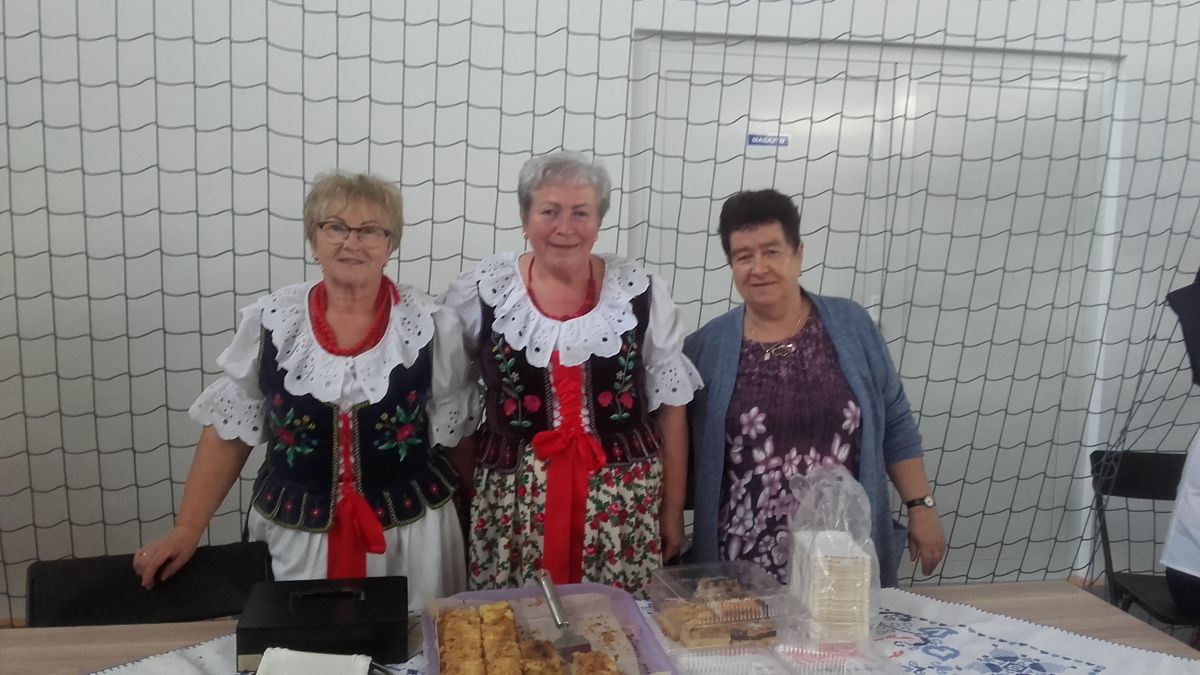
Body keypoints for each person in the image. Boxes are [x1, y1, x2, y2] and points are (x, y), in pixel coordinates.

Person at [133, 172, 479, 609]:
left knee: (413, 642)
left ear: (390, 244)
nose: (352, 243)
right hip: (296, 536)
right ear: (313, 239)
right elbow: (229, 432)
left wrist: (476, 518)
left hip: (412, 538)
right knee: (296, 642)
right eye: (335, 227)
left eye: (370, 231)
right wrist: (187, 529)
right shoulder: (273, 321)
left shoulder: (431, 324)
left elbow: (457, 435)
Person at [443, 151, 702, 593]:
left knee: (614, 626)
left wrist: (672, 511)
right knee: (519, 626)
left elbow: (672, 407)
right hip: (515, 507)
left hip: (621, 506)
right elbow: (454, 405)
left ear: (598, 222)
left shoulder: (640, 293)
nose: (565, 227)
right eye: (549, 212)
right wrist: (471, 499)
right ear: (525, 218)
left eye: (580, 212)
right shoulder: (482, 293)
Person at [683, 189, 945, 586]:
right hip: (741, 566)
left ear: (798, 253)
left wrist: (920, 505)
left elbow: (895, 420)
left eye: (772, 251)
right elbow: (678, 448)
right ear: (731, 264)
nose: (759, 268)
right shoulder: (705, 348)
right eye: (743, 256)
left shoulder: (852, 326)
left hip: (843, 558)